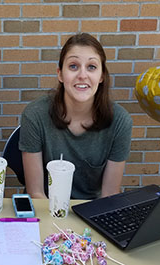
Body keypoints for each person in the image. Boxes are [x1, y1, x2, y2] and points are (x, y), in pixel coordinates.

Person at [19, 33, 132, 200]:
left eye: (91, 67)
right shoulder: (34, 115)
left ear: (101, 76)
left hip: (91, 212)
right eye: (73, 66)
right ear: (60, 74)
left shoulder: (120, 121)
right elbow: (36, 193)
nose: (82, 75)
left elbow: (109, 195)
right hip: (46, 209)